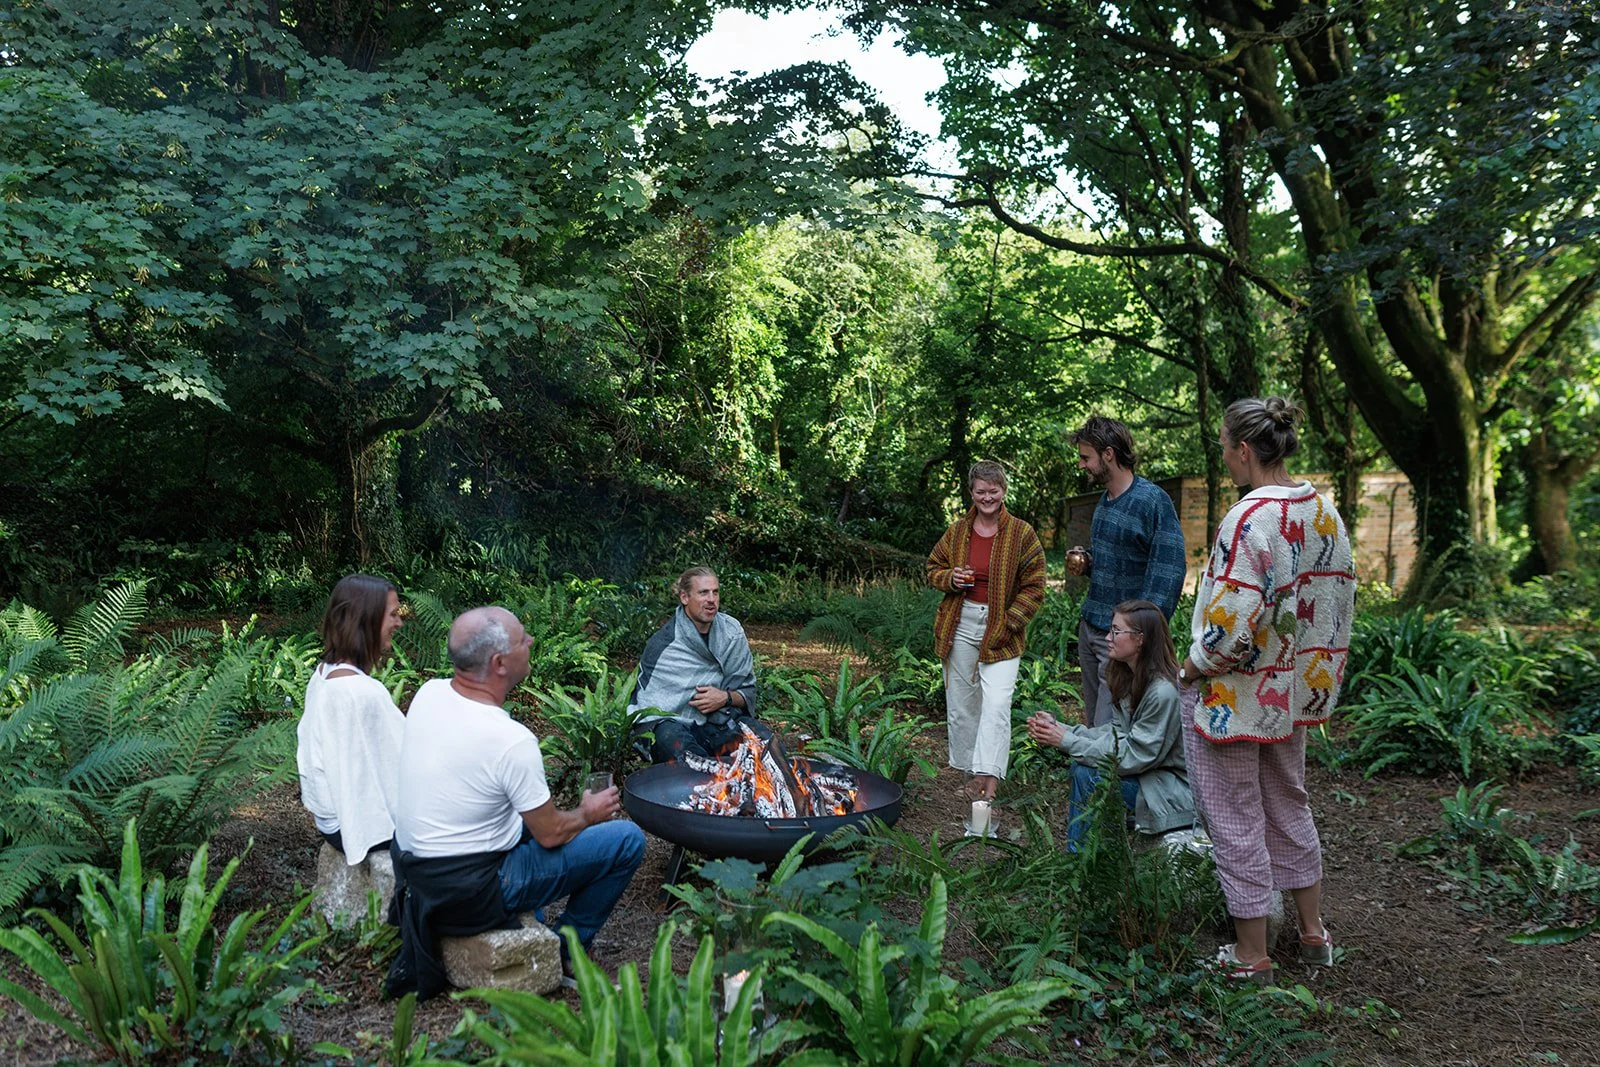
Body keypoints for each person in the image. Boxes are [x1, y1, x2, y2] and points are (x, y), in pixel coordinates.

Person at [1178, 397, 1355, 983]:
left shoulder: (1249, 517)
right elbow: (1336, 603)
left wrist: (1194, 667)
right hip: (1295, 694)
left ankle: (1252, 956)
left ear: (1244, 449)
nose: (1224, 458)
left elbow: (1232, 621)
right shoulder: (1323, 512)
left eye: (1225, 447)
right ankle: (1313, 933)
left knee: (1234, 816)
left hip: (1236, 697)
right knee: (1288, 800)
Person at [387, 606, 646, 1000]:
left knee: (521, 813)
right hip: (472, 892)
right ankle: (568, 949)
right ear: (499, 663)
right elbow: (551, 834)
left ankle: (539, 918)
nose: (531, 641)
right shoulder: (510, 740)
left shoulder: (430, 693)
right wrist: (588, 813)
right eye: (523, 639)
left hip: (419, 875)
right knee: (627, 840)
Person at [1025, 599, 1195, 850]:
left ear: (1140, 639)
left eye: (1116, 631)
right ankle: (1093, 854)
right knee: (1083, 768)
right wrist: (1063, 730)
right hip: (1148, 777)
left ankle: (1082, 861)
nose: (1107, 638)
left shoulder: (1163, 692)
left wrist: (1066, 741)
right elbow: (1116, 734)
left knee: (1089, 775)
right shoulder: (1131, 677)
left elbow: (1133, 755)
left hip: (1170, 791)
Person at [926, 460, 1046, 805]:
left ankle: (990, 779)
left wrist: (1009, 623)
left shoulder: (1022, 533)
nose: (987, 497)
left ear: (1004, 491)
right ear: (971, 493)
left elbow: (1035, 585)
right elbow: (932, 568)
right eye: (981, 491)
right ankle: (972, 775)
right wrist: (951, 578)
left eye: (994, 491)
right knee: (963, 705)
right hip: (960, 624)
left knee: (996, 704)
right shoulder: (957, 532)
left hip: (1004, 628)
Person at [1068, 416, 1187, 727]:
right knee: (1096, 726)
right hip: (1091, 628)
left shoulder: (1152, 501)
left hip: (1121, 639)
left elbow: (1170, 570)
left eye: (1086, 457)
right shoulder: (1105, 501)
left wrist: (1138, 634)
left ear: (1108, 454)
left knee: (1111, 731)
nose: (1082, 465)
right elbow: (1121, 558)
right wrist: (1088, 561)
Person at [297, 574, 406, 865]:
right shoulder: (360, 692)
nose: (399, 623)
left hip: (330, 820)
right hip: (352, 827)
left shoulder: (325, 673)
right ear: (366, 620)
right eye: (393, 614)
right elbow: (405, 760)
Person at [630, 567, 766, 763]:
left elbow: (747, 693)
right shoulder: (664, 644)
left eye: (715, 592)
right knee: (676, 746)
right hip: (674, 726)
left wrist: (725, 697)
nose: (711, 599)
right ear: (684, 597)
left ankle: (740, 773)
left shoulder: (731, 633)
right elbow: (647, 710)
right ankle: (712, 776)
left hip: (721, 723)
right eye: (703, 593)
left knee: (764, 742)